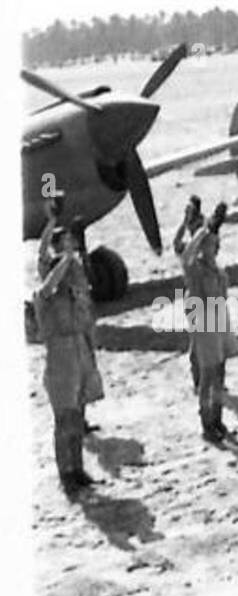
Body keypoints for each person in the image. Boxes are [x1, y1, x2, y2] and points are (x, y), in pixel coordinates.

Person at [35, 206, 103, 494]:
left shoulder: (72, 297)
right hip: (60, 361)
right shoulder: (45, 295)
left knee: (76, 420)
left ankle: (77, 469)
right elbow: (47, 273)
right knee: (64, 422)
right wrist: (64, 252)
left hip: (77, 353)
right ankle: (66, 474)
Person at [181, 203, 238, 442]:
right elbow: (186, 256)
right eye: (206, 245)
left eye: (213, 245)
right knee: (208, 374)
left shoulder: (218, 270)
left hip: (219, 321)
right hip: (204, 323)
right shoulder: (196, 270)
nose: (210, 248)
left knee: (221, 373)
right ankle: (207, 424)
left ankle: (217, 420)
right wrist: (202, 231)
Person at [173, 195, 206, 392]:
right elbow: (176, 242)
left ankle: (208, 378)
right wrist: (184, 223)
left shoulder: (206, 243)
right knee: (197, 341)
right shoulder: (190, 247)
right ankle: (198, 380)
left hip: (209, 294)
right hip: (195, 296)